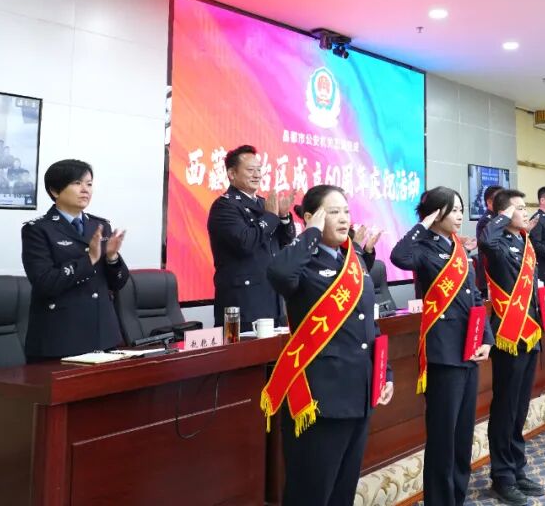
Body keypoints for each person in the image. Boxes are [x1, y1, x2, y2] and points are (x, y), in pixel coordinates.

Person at [263, 184, 392, 506]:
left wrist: (384, 373)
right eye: (333, 212)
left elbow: (368, 323)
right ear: (312, 218)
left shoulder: (354, 261)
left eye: (346, 211)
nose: (344, 218)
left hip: (359, 394)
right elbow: (278, 273)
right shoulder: (302, 260)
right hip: (320, 399)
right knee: (311, 494)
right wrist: (309, 233)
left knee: (342, 493)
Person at [390, 187, 493, 506]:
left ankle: (457, 497)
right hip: (443, 352)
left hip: (468, 348)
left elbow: (475, 297)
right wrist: (422, 224)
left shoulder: (459, 249)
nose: (460, 216)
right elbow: (398, 257)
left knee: (462, 435)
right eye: (454, 210)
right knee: (442, 437)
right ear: (436, 214)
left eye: (461, 209)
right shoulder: (422, 248)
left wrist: (486, 338)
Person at [479, 189, 545, 506]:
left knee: (520, 408)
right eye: (520, 208)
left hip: (530, 333)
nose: (526, 213)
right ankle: (502, 476)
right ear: (504, 213)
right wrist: (502, 216)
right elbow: (485, 241)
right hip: (508, 334)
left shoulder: (524, 242)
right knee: (506, 408)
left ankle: (517, 468)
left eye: (525, 208)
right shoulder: (496, 243)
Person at [21, 159, 128, 360]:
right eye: (77, 183)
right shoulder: (38, 230)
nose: (85, 189)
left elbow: (118, 283)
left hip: (103, 335)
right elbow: (45, 282)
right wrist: (90, 259)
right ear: (55, 191)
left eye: (89, 184)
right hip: (61, 338)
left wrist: (112, 258)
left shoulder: (99, 226)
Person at [208, 145, 295, 329]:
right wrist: (271, 216)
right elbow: (245, 242)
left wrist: (284, 217)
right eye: (250, 170)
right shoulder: (225, 206)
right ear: (232, 174)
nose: (257, 175)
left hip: (273, 299)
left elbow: (285, 241)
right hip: (244, 303)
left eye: (259, 170)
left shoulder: (264, 203)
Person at [474, 184, 504, 294]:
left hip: (500, 274)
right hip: (490, 275)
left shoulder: (499, 219)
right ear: (489, 202)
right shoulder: (486, 221)